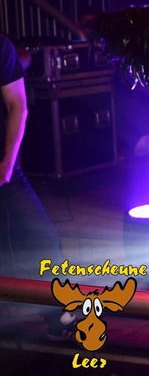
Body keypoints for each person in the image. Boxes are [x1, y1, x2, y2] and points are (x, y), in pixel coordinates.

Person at [0, 33, 74, 340]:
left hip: (4, 168)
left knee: (42, 238)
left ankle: (59, 318)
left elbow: (18, 104)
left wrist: (7, 163)